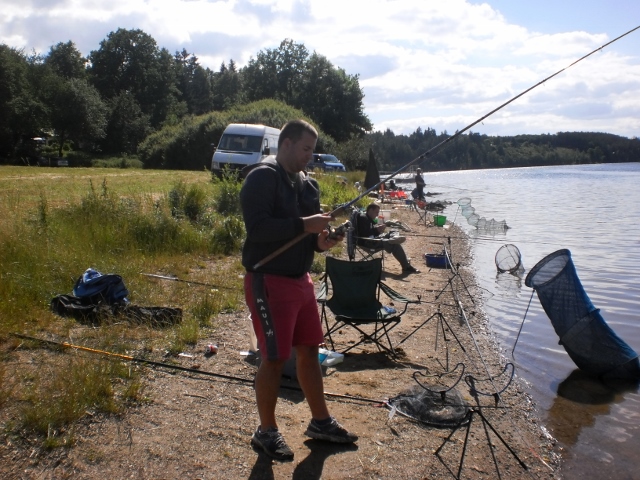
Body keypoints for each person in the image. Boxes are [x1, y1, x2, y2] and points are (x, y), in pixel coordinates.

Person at [240, 119, 358, 462]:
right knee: (275, 357)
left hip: (301, 280)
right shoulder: (261, 177)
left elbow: (308, 240)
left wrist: (323, 242)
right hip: (268, 281)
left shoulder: (309, 186)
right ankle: (266, 431)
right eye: (305, 148)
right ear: (287, 143)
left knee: (309, 349)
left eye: (312, 150)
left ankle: (320, 422)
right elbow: (258, 229)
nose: (309, 156)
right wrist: (305, 224)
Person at [355, 203, 420, 274]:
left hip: (373, 239)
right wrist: (376, 230)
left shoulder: (367, 218)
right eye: (376, 212)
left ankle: (394, 237)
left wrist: (378, 230)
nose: (377, 215)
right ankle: (406, 267)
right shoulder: (363, 218)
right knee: (395, 245)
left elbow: (370, 232)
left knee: (394, 230)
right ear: (371, 210)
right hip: (368, 243)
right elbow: (364, 234)